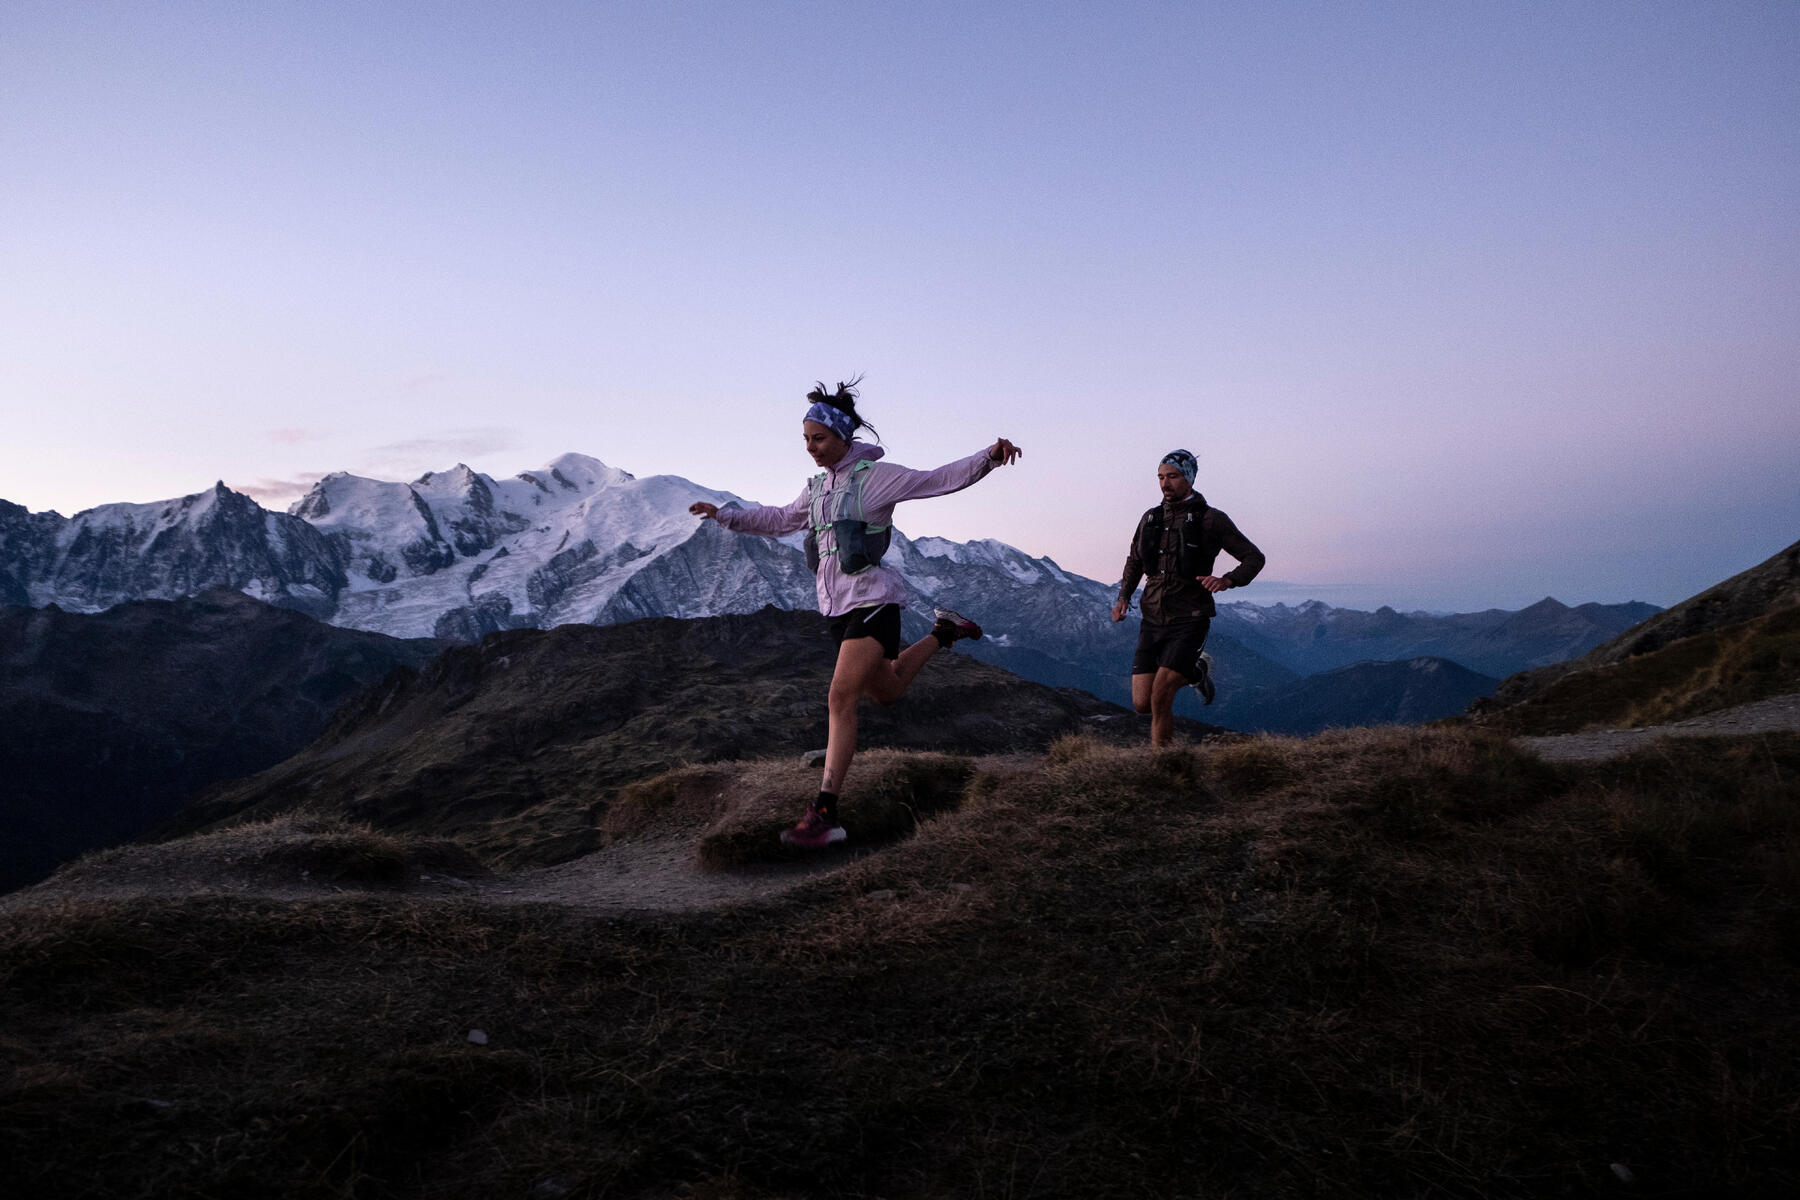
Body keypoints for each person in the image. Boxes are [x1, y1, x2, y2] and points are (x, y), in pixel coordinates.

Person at [689, 379, 1022, 847]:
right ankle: (945, 633)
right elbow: (782, 519)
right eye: (805, 440)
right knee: (885, 691)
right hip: (836, 608)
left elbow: (938, 479)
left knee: (839, 698)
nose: (811, 448)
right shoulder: (817, 489)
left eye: (819, 439)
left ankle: (825, 812)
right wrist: (726, 514)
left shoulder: (876, 478)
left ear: (843, 436)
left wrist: (988, 457)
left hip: (874, 600)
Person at [1111, 449, 1265, 747]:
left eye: (1172, 476)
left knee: (1160, 696)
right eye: (1160, 477)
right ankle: (1196, 670)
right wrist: (1123, 597)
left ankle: (1165, 767)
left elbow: (1253, 557)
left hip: (1190, 618)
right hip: (1152, 618)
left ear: (1189, 478)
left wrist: (1228, 579)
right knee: (1142, 703)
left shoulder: (1211, 519)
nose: (1164, 483)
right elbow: (1135, 561)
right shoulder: (1150, 518)